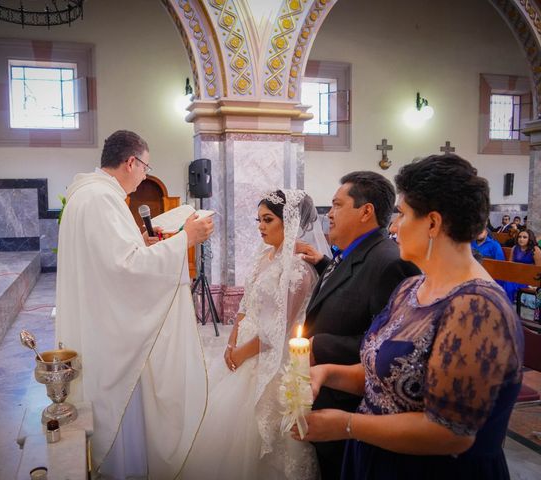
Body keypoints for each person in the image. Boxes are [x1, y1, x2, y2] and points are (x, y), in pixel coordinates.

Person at [297, 154, 523, 479]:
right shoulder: (412, 288)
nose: (393, 226)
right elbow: (392, 376)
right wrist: (327, 373)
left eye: (401, 214)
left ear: (432, 223)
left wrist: (347, 424)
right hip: (377, 459)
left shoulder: (476, 308)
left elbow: (450, 433)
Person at [55, 130, 214, 479]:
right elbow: (126, 270)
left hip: (98, 319)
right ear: (131, 162)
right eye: (144, 166)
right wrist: (187, 238)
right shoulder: (101, 200)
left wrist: (142, 242)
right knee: (119, 412)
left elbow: (112, 260)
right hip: (110, 335)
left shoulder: (88, 194)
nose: (144, 174)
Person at [180, 190, 325, 480]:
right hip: (241, 350)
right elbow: (246, 305)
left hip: (268, 358)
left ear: (290, 222)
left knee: (259, 436)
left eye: (268, 220)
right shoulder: (264, 257)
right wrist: (232, 341)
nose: (260, 226)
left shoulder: (299, 270)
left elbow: (276, 330)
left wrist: (242, 352)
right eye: (258, 219)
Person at [295, 172, 420, 479]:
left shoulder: (390, 263)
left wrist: (319, 345)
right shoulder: (353, 253)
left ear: (366, 212)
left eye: (337, 205)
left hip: (351, 405)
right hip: (327, 392)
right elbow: (351, 289)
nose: (329, 214)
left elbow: (389, 345)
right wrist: (324, 264)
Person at [504, 229, 541, 303]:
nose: (521, 239)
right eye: (519, 237)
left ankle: (507, 306)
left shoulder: (535, 250)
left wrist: (534, 284)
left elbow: (539, 269)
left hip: (528, 278)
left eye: (524, 237)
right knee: (501, 282)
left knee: (508, 285)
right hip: (515, 275)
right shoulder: (515, 248)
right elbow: (510, 264)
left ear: (529, 239)